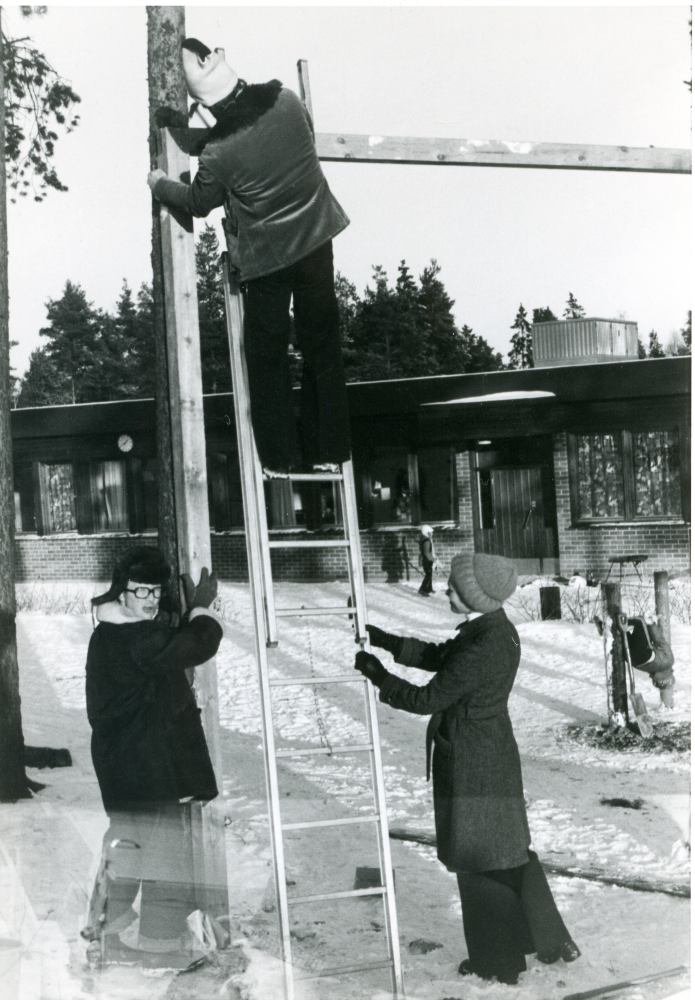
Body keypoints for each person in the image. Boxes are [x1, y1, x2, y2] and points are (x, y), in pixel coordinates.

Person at [354, 552, 580, 985]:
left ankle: (497, 963)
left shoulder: (483, 646)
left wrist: (378, 676)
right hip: (491, 752)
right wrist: (388, 641)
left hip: (473, 760)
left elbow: (426, 700)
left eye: (453, 588)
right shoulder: (493, 630)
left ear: (474, 595)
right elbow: (443, 657)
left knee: (477, 857)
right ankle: (551, 940)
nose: (445, 591)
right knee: (509, 852)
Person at [147, 38, 351, 477]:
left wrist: (160, 182)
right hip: (317, 238)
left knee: (267, 355)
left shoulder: (219, 153)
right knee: (322, 342)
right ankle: (328, 447)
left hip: (268, 259)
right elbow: (266, 142)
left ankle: (280, 457)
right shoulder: (288, 102)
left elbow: (199, 201)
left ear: (206, 106)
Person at [83, 547, 224, 969]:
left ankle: (101, 935)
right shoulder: (136, 637)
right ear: (121, 593)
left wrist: (180, 617)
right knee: (164, 852)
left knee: (128, 846)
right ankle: (161, 948)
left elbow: (162, 654)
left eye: (155, 590)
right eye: (141, 589)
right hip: (145, 766)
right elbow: (198, 645)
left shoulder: (112, 632)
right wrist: (200, 609)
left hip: (125, 764)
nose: (150, 597)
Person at [418, 525, 436, 596]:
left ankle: (429, 588)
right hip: (426, 560)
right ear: (426, 533)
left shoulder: (423, 539)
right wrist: (433, 559)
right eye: (431, 533)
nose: (432, 534)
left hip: (425, 559)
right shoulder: (426, 541)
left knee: (430, 573)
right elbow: (426, 553)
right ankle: (423, 589)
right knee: (428, 575)